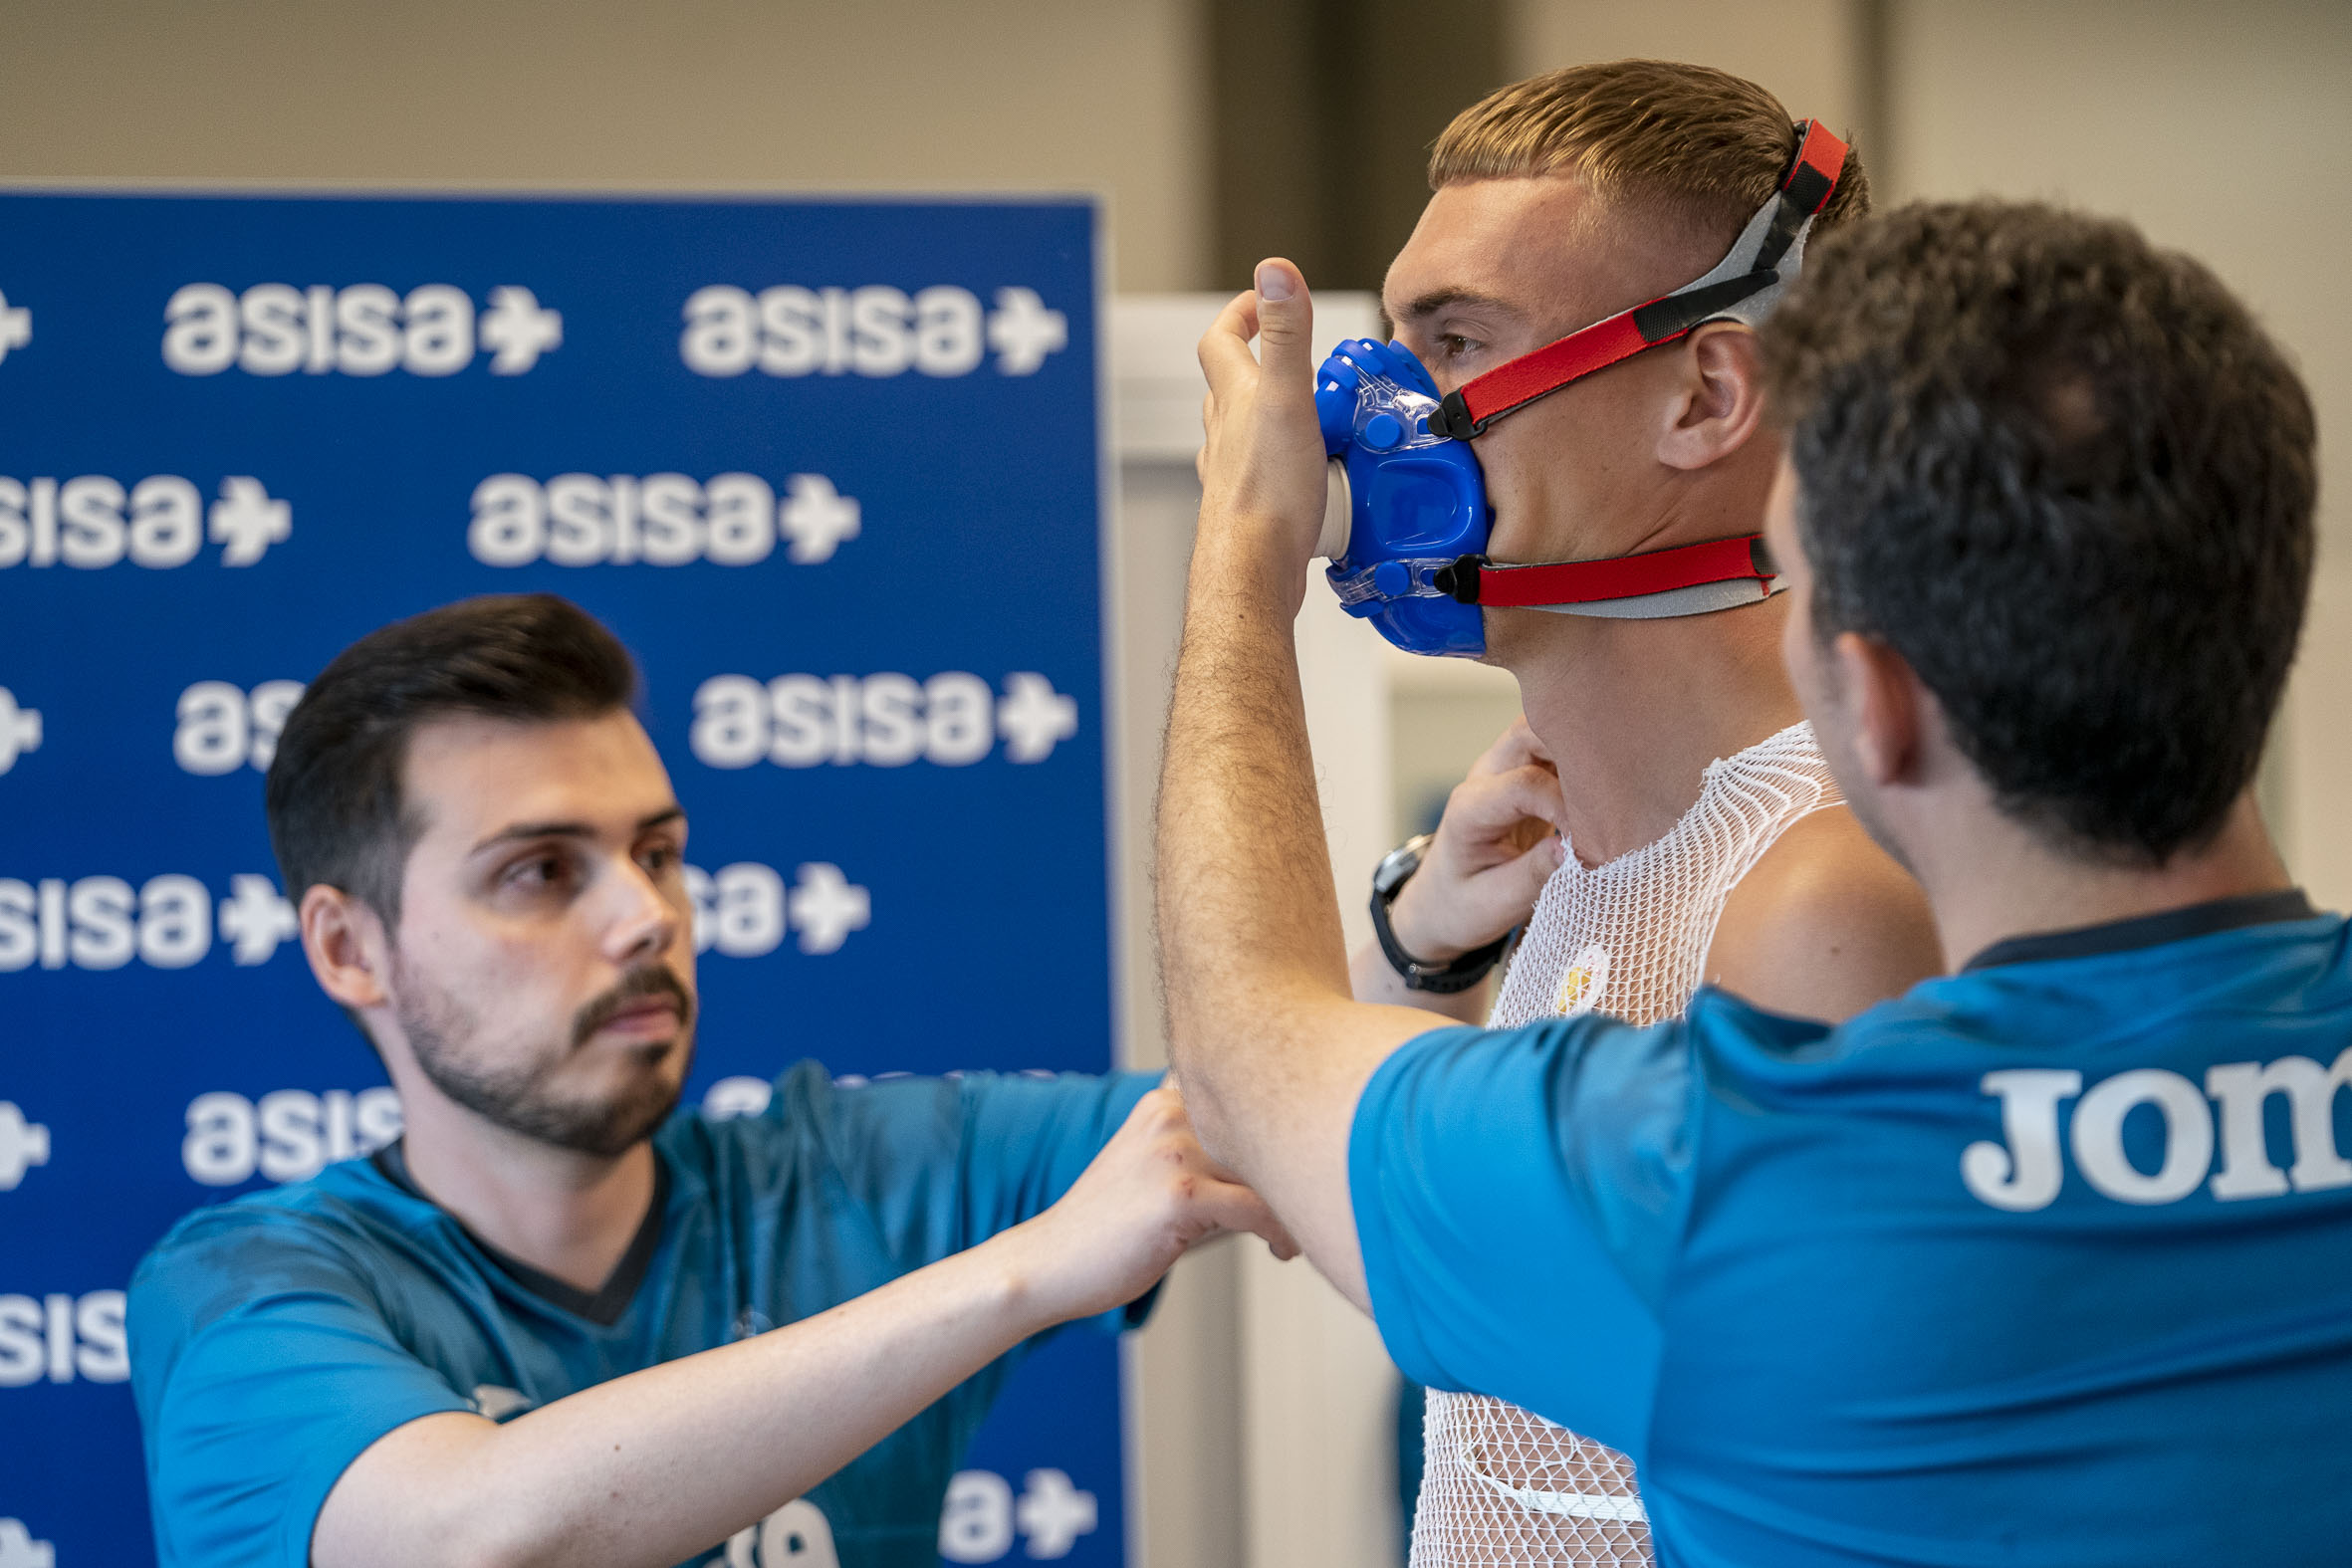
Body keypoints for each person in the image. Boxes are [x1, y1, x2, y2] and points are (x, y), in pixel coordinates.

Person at [1158, 193, 2349, 1564]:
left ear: (1872, 701)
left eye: (1795, 582)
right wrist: (1417, 935)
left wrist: (1242, 558)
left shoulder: (1739, 1170)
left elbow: (1249, 1068)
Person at [129, 593, 1290, 1568]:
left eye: (657, 854)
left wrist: (1421, 944)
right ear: (348, 948)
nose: (647, 916)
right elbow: (465, 1536)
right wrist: (1022, 1275)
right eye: (539, 871)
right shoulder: (244, 1295)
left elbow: (1280, 1110)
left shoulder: (848, 1180)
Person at [1327, 63, 1941, 1564]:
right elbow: (1283, 1172)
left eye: (1455, 343)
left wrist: (1233, 573)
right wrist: (1414, 946)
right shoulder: (1570, 857)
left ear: (1701, 392)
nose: (1386, 413)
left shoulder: (1821, 898)